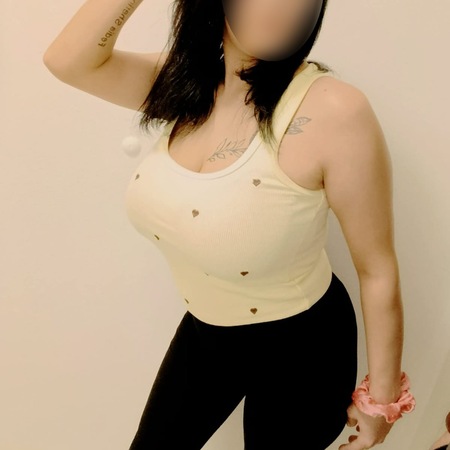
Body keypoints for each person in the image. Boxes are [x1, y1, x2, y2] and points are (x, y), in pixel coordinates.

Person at [43, 0, 415, 448]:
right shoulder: (187, 83)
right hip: (206, 329)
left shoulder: (335, 110)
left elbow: (377, 269)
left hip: (304, 346)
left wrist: (382, 401)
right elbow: (69, 60)